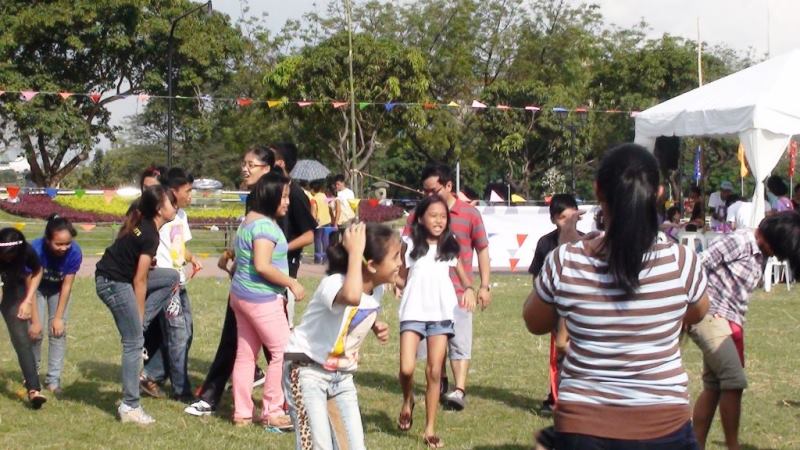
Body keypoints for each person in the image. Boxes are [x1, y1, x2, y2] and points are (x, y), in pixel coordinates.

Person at [523, 143, 710, 448]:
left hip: (583, 425)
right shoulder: (682, 262)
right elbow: (697, 312)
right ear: (659, 193)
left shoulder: (566, 260)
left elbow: (534, 321)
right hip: (664, 426)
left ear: (598, 191)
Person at [283, 222, 400, 450]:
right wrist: (356, 252)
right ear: (372, 265)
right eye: (395, 257)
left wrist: (373, 324)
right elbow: (352, 297)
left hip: (341, 377)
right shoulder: (334, 283)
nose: (400, 263)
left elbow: (355, 308)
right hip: (306, 369)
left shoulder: (376, 290)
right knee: (317, 446)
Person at [690, 211, 800, 450]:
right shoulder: (739, 242)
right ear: (771, 237)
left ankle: (695, 445)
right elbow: (697, 265)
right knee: (733, 380)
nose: (777, 255)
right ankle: (733, 446)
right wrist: (700, 303)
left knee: (714, 386)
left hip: (730, 321)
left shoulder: (762, 254)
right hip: (709, 315)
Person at [187, 146, 279, 416]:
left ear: (267, 169)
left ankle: (288, 401)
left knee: (278, 350)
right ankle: (218, 400)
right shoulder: (255, 198)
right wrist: (236, 256)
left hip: (268, 288)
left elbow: (301, 233)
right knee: (238, 344)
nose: (244, 169)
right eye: (244, 163)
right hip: (246, 286)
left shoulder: (280, 195)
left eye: (251, 164)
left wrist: (283, 274)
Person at [402, 163, 491, 412]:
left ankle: (459, 390)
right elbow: (405, 249)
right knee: (433, 347)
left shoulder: (470, 214)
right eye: (425, 191)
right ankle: (439, 382)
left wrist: (484, 286)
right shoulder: (417, 215)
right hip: (426, 296)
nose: (428, 195)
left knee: (460, 344)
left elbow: (482, 249)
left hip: (459, 294)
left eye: (434, 190)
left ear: (449, 185)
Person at [396, 195, 476, 448]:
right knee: (406, 368)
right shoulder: (409, 244)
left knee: (433, 372)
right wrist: (391, 281)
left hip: (441, 315)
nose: (439, 221)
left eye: (443, 216)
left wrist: (470, 290)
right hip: (412, 312)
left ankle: (429, 429)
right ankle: (408, 400)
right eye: (433, 215)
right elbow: (400, 276)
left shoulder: (449, 245)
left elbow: (463, 277)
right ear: (420, 218)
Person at [95, 185, 179, 424]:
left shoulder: (146, 226)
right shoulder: (150, 234)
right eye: (171, 203)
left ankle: (139, 326)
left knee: (171, 277)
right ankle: (130, 406)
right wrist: (139, 313)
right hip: (113, 283)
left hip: (118, 279)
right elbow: (140, 281)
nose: (175, 207)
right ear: (159, 209)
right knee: (133, 343)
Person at [229, 171, 303, 430]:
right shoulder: (265, 227)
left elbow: (242, 261)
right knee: (284, 352)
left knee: (246, 355)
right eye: (284, 197)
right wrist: (291, 282)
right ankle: (272, 411)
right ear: (270, 196)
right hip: (261, 299)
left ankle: (242, 413)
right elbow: (262, 265)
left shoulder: (248, 221)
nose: (287, 202)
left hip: (241, 296)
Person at [140, 167, 202, 402]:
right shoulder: (157, 214)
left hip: (179, 281)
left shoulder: (181, 216)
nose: (190, 195)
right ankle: (181, 390)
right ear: (173, 191)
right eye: (188, 191)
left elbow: (178, 246)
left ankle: (151, 374)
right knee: (177, 334)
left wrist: (191, 257)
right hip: (166, 285)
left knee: (186, 334)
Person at [528, 194, 583, 414]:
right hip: (557, 308)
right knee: (558, 356)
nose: (567, 222)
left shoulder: (589, 242)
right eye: (562, 218)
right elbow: (536, 277)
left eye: (571, 217)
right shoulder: (546, 243)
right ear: (553, 219)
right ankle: (555, 398)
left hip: (584, 310)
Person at [30, 214, 82, 395]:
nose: (63, 248)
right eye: (58, 244)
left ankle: (53, 380)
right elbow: (30, 286)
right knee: (35, 334)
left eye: (67, 243)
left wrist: (58, 318)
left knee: (58, 332)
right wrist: (35, 321)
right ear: (47, 240)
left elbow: (67, 285)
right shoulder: (35, 250)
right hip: (35, 289)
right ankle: (31, 376)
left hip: (58, 290)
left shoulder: (74, 252)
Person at [0, 228, 46, 408]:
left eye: (11, 255)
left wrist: (27, 300)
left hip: (14, 290)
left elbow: (37, 271)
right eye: (4, 254)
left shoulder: (26, 250)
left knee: (21, 340)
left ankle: (34, 390)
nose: (8, 258)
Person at [310, 179, 333, 264]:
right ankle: (326, 260)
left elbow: (313, 212)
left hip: (319, 222)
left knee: (318, 240)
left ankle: (318, 259)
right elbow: (329, 205)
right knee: (325, 240)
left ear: (313, 189)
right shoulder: (324, 196)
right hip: (327, 220)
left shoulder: (314, 199)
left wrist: (312, 222)